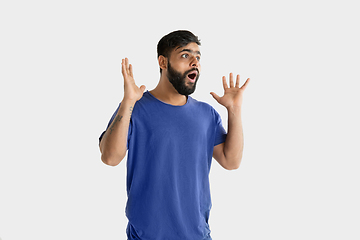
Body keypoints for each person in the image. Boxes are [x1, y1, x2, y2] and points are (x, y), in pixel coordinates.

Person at [99, 30, 250, 240]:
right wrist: (127, 102)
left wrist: (234, 110)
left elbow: (231, 161)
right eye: (185, 55)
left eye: (198, 57)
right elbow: (110, 157)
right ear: (163, 62)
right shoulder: (135, 108)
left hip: (197, 235)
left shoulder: (207, 114)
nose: (195, 62)